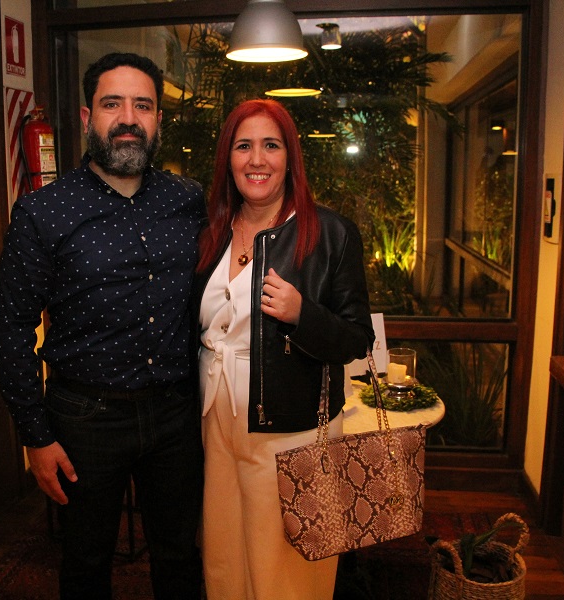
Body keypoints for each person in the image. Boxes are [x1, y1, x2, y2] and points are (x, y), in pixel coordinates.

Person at [0, 53, 205, 600]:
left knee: (181, 557)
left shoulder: (190, 201)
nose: (129, 118)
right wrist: (36, 436)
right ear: (88, 116)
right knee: (85, 563)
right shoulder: (43, 212)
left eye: (143, 106)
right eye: (113, 104)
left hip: (177, 415)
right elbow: (11, 328)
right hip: (84, 419)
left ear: (158, 120)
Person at [193, 99, 375, 600]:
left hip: (292, 429)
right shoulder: (212, 231)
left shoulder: (331, 234)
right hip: (216, 423)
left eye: (270, 146)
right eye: (243, 146)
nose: (257, 160)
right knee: (224, 559)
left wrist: (302, 314)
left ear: (290, 157)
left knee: (288, 572)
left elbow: (357, 338)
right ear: (228, 159)